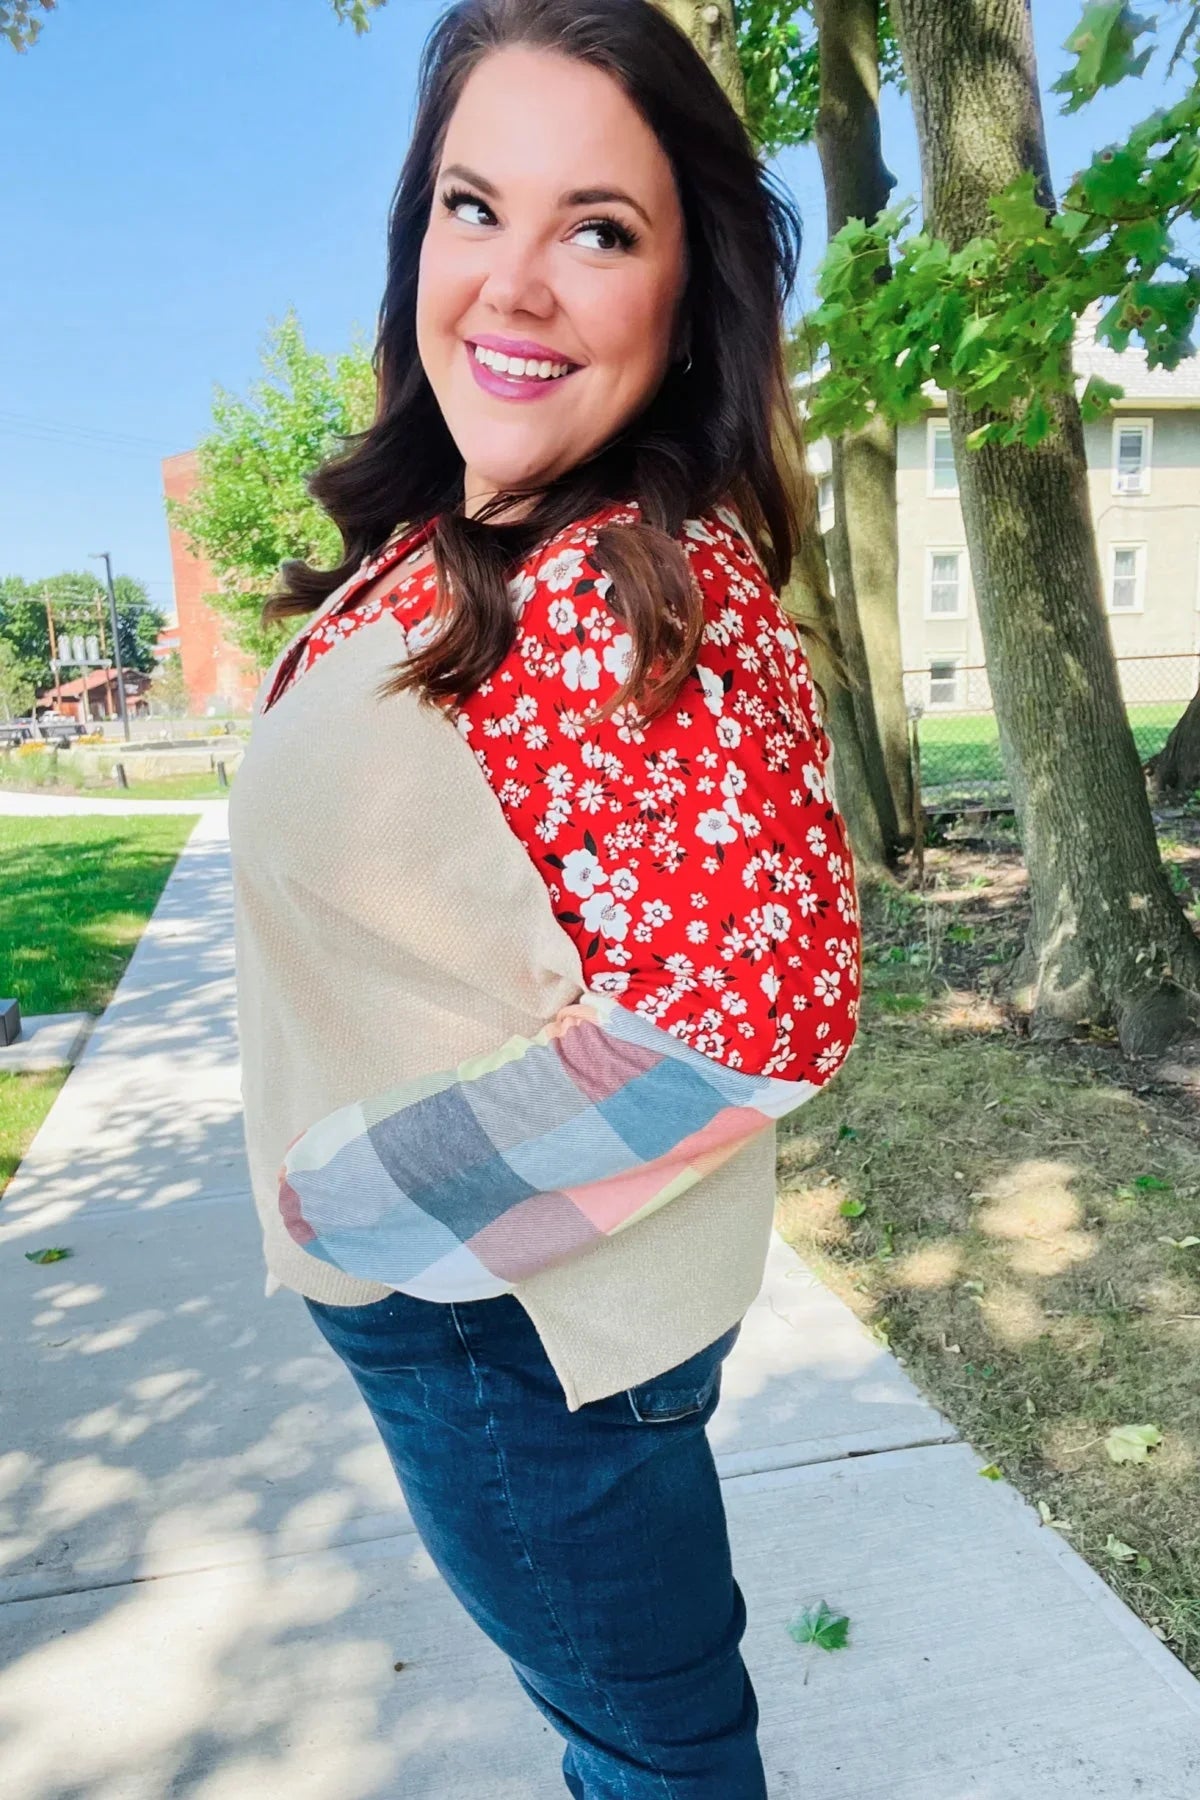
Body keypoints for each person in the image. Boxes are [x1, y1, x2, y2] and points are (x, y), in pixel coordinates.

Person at [228, 1, 861, 1792]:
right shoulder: (481, 536)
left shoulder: (615, 578)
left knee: (650, 1754)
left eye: (600, 228)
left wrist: (354, 1208)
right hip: (493, 1312)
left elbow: (754, 1016)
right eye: (470, 205)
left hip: (504, 1334)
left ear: (686, 300)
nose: (513, 281)